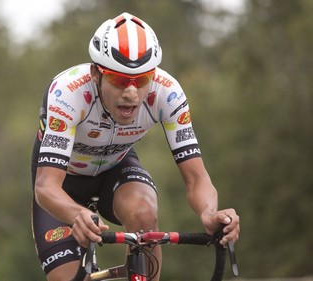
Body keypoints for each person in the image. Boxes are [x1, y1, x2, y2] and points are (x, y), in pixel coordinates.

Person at [31, 12, 240, 281]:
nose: (131, 92)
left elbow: (197, 177)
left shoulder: (168, 93)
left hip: (115, 169)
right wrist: (78, 214)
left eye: (141, 80)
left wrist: (209, 212)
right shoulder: (68, 93)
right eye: (119, 80)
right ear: (96, 73)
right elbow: (46, 186)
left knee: (144, 213)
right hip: (63, 184)